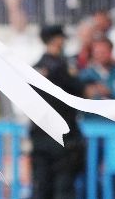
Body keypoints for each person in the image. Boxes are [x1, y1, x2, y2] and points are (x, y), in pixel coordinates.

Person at [31, 25, 85, 199]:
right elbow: (79, 90)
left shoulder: (34, 68)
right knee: (63, 189)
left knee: (41, 187)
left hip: (39, 135)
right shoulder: (62, 68)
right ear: (56, 40)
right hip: (62, 137)